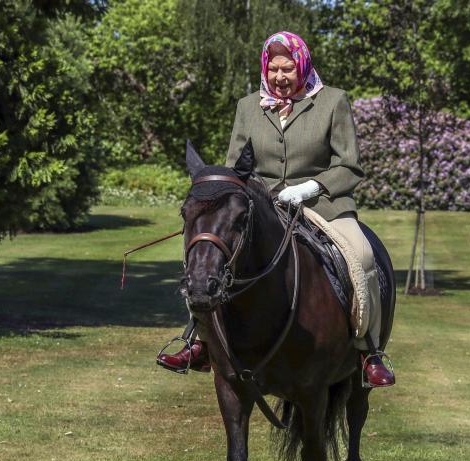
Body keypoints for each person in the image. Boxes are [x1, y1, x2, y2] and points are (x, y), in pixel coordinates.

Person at [158, 31, 394, 388]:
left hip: (323, 204)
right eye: (274, 70)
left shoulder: (332, 102)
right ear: (265, 69)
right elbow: (236, 167)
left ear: (302, 65)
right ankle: (200, 341)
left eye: (288, 69)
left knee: (361, 256)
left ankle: (368, 351)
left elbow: (349, 165)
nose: (281, 77)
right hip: (262, 205)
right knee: (207, 256)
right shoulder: (247, 107)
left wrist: (311, 188)